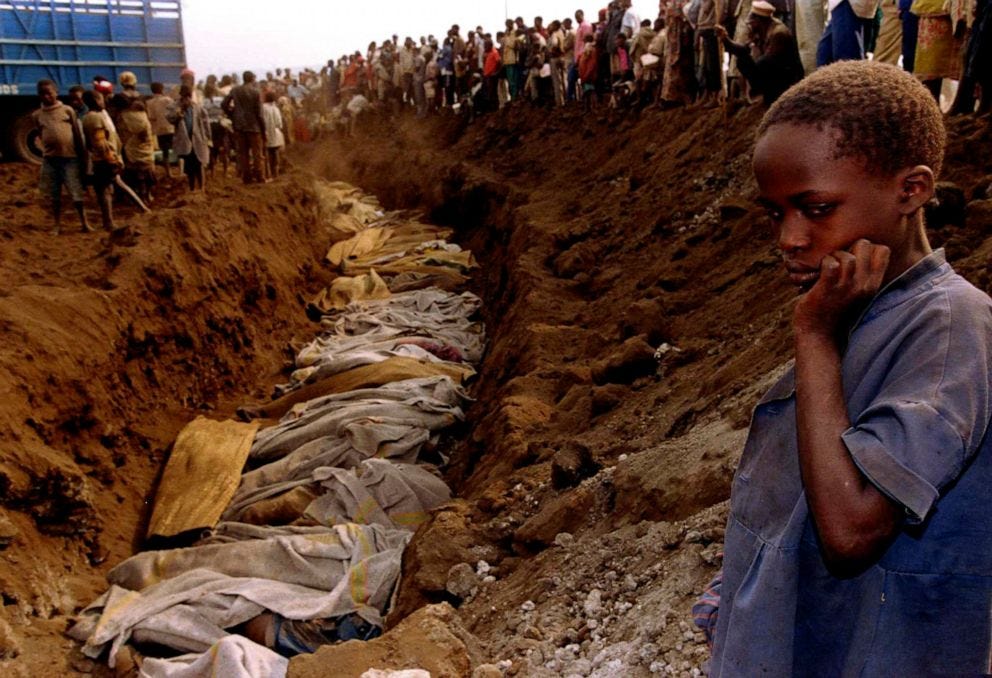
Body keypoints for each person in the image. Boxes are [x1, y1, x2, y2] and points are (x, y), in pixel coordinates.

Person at [708, 60, 992, 676]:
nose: (789, 237)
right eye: (775, 213)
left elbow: (851, 529)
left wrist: (812, 337)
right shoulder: (860, 309)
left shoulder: (947, 327)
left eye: (815, 209)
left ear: (911, 190)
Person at [716, 0, 805, 105]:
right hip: (773, 73)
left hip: (786, 79)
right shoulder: (762, 29)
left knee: (752, 65)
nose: (750, 25)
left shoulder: (778, 33)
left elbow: (766, 63)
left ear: (759, 19)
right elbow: (743, 50)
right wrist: (725, 39)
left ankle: (770, 95)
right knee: (742, 60)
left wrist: (752, 69)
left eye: (752, 21)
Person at [33, 79, 91, 234]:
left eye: (49, 93)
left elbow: (77, 134)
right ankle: (57, 224)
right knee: (54, 195)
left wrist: (83, 156)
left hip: (70, 158)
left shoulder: (67, 110)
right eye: (42, 94)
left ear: (56, 92)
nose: (46, 97)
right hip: (51, 160)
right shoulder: (37, 115)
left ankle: (84, 222)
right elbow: (40, 133)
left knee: (76, 192)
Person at [80, 89, 122, 231]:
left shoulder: (87, 117)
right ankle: (108, 222)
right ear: (96, 100)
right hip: (103, 159)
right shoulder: (95, 118)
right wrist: (112, 159)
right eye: (101, 98)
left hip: (99, 159)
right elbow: (100, 142)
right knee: (105, 191)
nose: (103, 101)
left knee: (105, 190)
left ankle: (107, 221)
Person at [222, 70, 266, 184]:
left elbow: (224, 104)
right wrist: (263, 129)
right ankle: (260, 176)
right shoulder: (256, 92)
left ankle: (247, 177)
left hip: (239, 126)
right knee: (257, 153)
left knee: (243, 153)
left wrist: (232, 114)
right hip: (254, 126)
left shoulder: (235, 90)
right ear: (252, 79)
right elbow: (260, 114)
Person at [170, 85, 211, 192]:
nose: (186, 100)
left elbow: (205, 123)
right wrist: (179, 114)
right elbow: (170, 118)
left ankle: (202, 187)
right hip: (185, 141)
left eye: (188, 97)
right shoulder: (176, 108)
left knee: (199, 164)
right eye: (184, 98)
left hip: (197, 140)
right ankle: (192, 187)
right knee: (189, 167)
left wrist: (208, 137)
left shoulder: (197, 108)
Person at [118, 97, 156, 204]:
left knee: (136, 178)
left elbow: (122, 135)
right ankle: (147, 196)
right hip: (146, 152)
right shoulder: (145, 118)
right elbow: (148, 137)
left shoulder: (124, 117)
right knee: (147, 177)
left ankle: (139, 197)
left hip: (132, 152)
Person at [147, 82, 176, 179]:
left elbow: (151, 117)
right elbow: (174, 113)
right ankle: (181, 170)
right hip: (171, 128)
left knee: (165, 151)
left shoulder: (149, 103)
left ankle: (168, 173)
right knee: (178, 149)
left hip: (159, 130)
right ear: (162, 89)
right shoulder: (168, 100)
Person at [261, 90, 286, 179]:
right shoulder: (275, 109)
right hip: (275, 134)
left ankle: (267, 175)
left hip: (265, 133)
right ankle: (276, 174)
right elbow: (279, 123)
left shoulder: (262, 108)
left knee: (265, 154)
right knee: (275, 154)